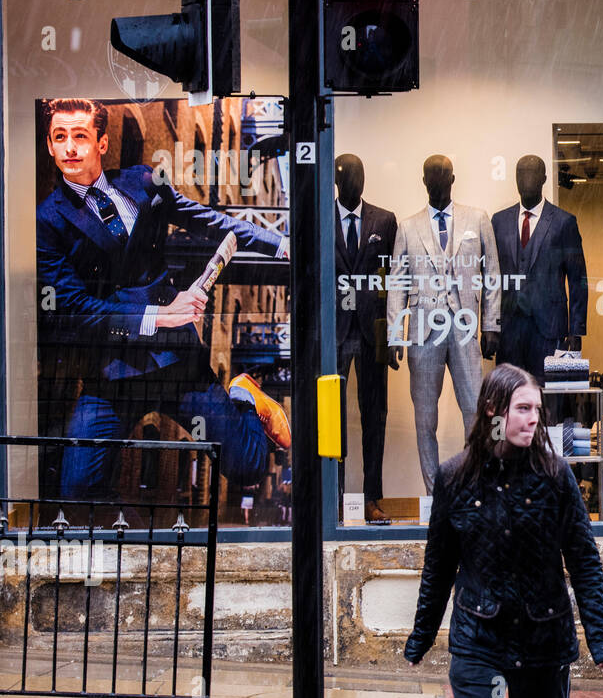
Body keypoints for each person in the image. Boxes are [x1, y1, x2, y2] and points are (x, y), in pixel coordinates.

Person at [36, 98, 289, 502]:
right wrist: (159, 315)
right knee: (76, 489)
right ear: (49, 145)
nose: (69, 148)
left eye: (80, 136)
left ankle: (243, 394)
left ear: (101, 143)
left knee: (247, 467)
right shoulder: (48, 221)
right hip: (111, 373)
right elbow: (73, 311)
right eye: (59, 137)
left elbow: (205, 218)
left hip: (176, 363)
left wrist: (279, 244)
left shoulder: (141, 181)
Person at [404, 363, 603, 698]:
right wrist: (421, 638)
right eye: (522, 408)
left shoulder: (556, 476)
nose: (533, 418)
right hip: (478, 638)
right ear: (492, 409)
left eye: (537, 408)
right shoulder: (455, 478)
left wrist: (601, 641)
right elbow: (439, 568)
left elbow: (584, 562)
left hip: (543, 639)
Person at [387, 155, 501, 495]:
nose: (437, 183)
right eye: (430, 178)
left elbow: (492, 274)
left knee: (475, 412)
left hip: (465, 327)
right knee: (425, 419)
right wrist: (396, 334)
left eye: (443, 177)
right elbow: (397, 282)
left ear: (453, 179)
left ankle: (474, 487)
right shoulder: (408, 227)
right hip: (423, 331)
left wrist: (491, 323)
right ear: (424, 182)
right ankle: (435, 495)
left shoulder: (477, 219)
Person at [334, 153, 398, 522]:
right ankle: (338, 497)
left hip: (373, 331)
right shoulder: (322, 218)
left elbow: (394, 281)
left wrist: (392, 334)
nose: (355, 183)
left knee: (376, 416)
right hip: (337, 334)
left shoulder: (384, 221)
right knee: (334, 415)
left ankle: (372, 498)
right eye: (348, 177)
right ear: (338, 183)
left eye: (359, 176)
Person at [490, 156, 586, 380]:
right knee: (508, 395)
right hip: (509, 328)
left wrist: (576, 329)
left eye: (532, 173)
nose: (526, 180)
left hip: (550, 328)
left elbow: (578, 278)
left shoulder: (564, 222)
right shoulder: (499, 221)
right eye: (521, 174)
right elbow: (490, 280)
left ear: (544, 178)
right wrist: (490, 326)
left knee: (549, 398)